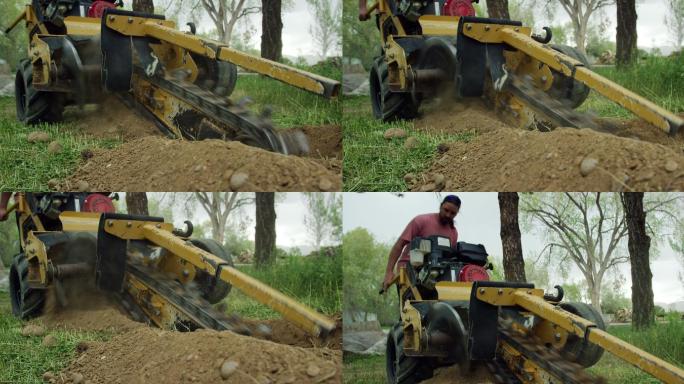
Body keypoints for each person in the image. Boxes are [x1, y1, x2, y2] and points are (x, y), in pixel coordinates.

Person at [382, 194, 460, 292]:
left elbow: (450, 258)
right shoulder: (421, 220)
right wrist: (389, 272)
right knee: (412, 304)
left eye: (453, 213)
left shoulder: (453, 232)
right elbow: (399, 245)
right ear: (440, 206)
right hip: (408, 272)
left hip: (434, 276)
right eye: (446, 210)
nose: (448, 215)